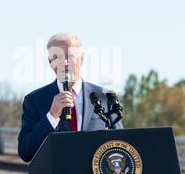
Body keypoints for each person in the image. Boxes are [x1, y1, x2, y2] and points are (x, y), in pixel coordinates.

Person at [18, 33, 123, 162]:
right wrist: (51, 116)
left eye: (70, 56)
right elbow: (25, 152)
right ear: (50, 62)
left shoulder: (105, 96)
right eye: (57, 57)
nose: (65, 63)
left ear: (82, 59)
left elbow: (122, 146)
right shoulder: (34, 100)